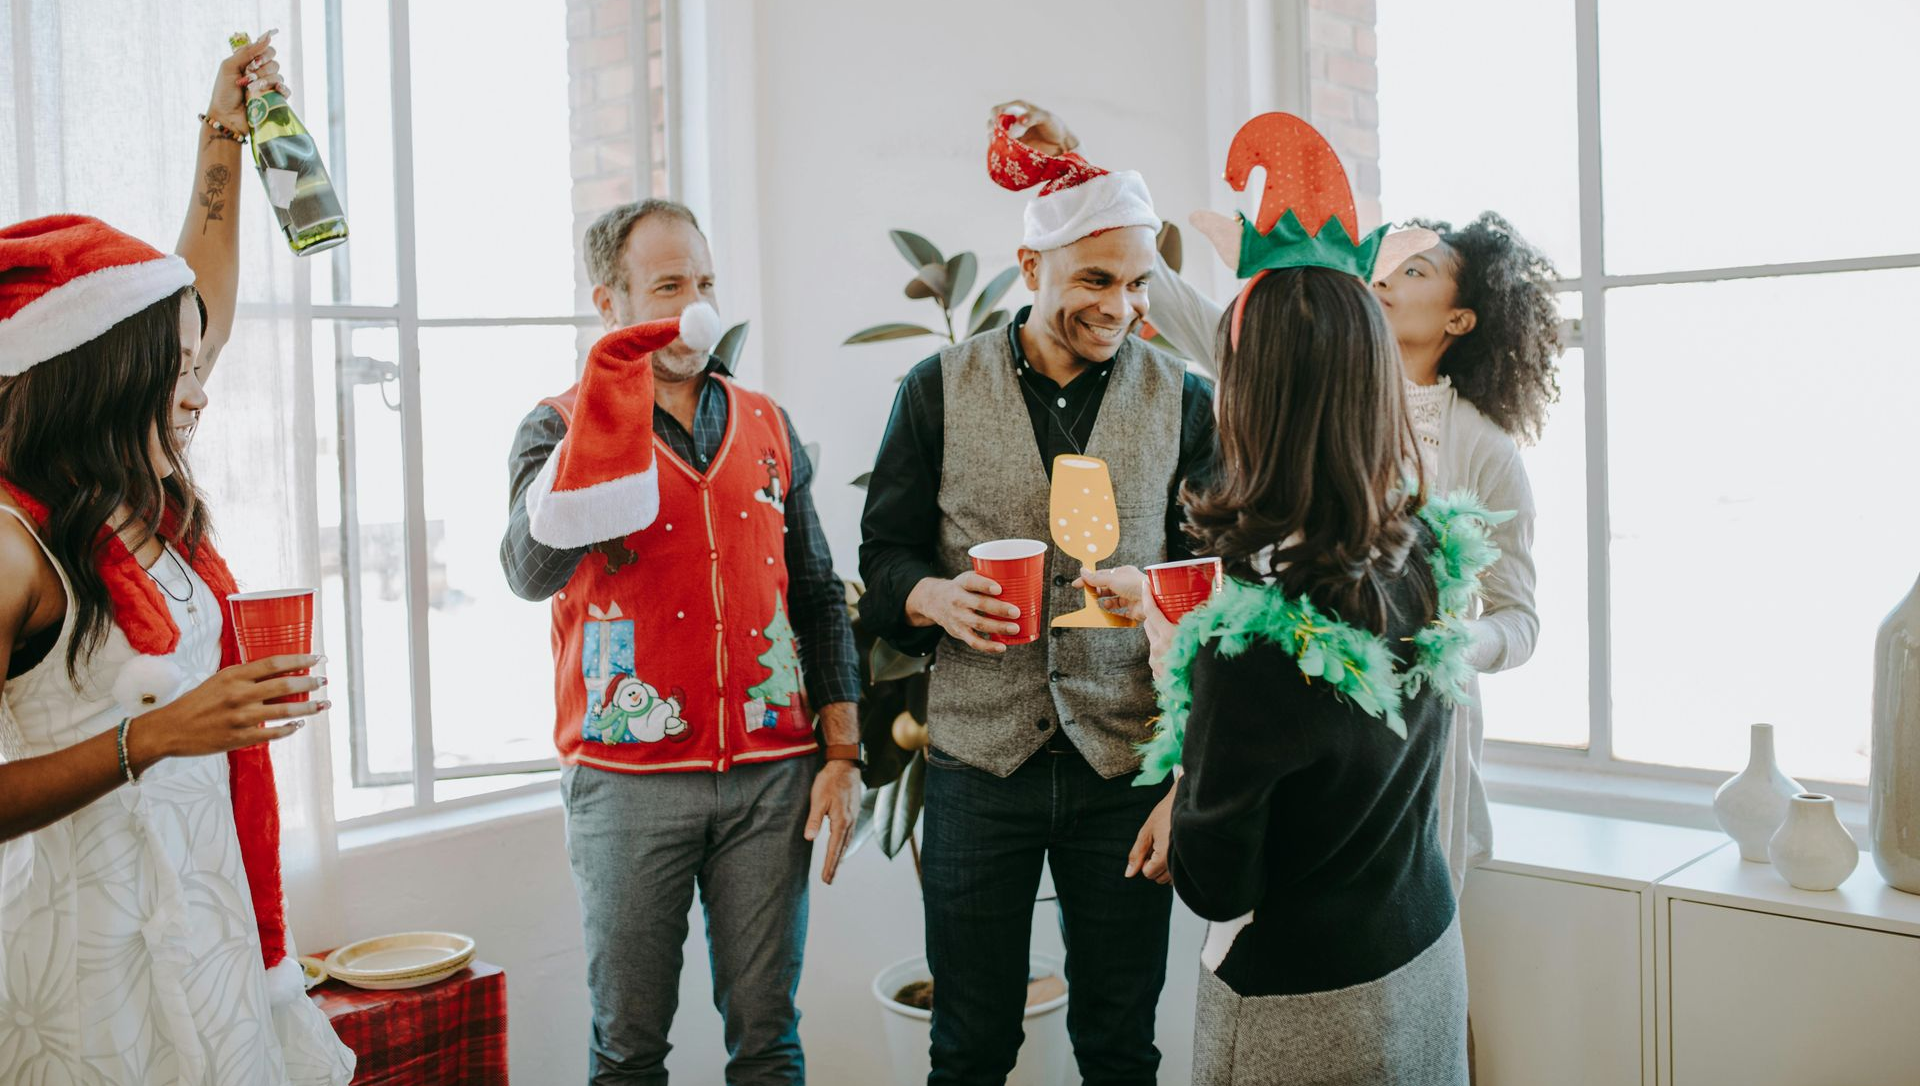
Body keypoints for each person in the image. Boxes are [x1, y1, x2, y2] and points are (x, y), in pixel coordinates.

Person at [1000, 100, 1557, 890]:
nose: (1387, 278)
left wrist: (1435, 640)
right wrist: (1083, 174)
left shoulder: (1484, 453)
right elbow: (1274, 599)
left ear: (1462, 319)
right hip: (1287, 739)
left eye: (1416, 271)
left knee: (1396, 906)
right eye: (1388, 268)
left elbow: (1518, 619)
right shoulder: (1280, 373)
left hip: (1408, 738)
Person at [0, 36, 355, 1085]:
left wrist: (224, 136)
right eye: (178, 370)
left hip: (207, 926)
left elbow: (199, 290)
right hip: (89, 966)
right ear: (101, 384)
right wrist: (155, 735)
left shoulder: (131, 499)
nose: (199, 390)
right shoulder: (15, 544)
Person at [1130, 112, 1498, 1084]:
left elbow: (1215, 883)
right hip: (1423, 957)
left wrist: (1181, 671)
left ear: (1247, 399)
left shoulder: (1251, 648)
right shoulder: (1426, 556)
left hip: (1308, 1009)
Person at [857, 111, 1215, 1085]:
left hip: (1125, 772)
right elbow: (882, 558)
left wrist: (1183, 769)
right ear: (1031, 266)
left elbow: (1216, 595)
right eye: (1096, 280)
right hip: (979, 767)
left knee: (1120, 1044)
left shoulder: (1185, 400)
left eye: (1138, 283)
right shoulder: (935, 389)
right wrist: (933, 597)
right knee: (969, 1046)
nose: (1121, 306)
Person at [499, 199, 862, 1085]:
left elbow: (818, 593)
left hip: (773, 776)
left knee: (769, 1040)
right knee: (628, 1050)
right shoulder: (557, 428)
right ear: (609, 303)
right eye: (668, 286)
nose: (695, 306)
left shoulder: (767, 422)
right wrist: (597, 424)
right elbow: (527, 573)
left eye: (704, 283)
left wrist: (843, 753)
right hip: (625, 784)